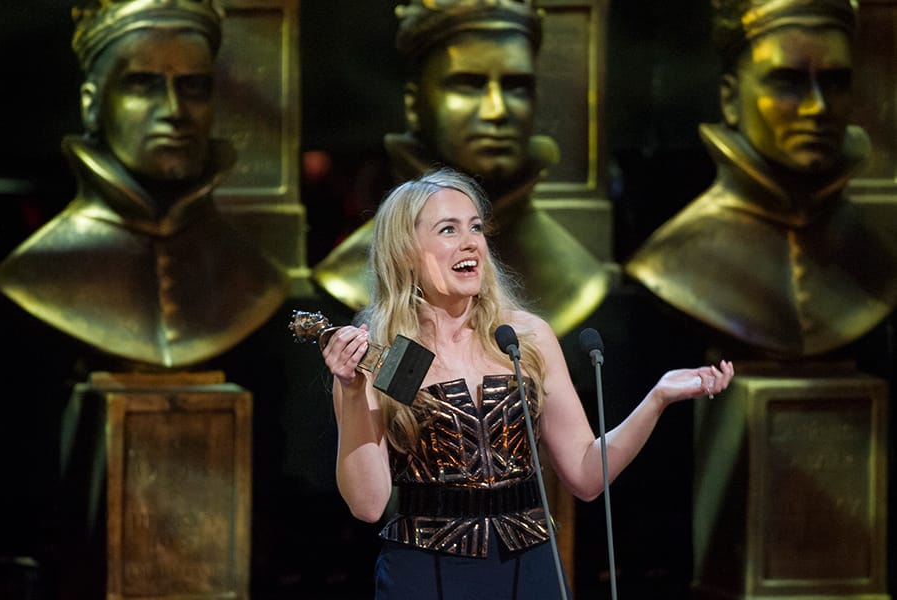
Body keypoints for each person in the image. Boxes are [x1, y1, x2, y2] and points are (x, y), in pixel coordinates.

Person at [319, 167, 734, 599]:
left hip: (531, 569)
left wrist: (657, 398)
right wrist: (351, 392)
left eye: (476, 227)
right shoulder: (376, 354)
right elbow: (368, 506)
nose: (471, 243)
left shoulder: (524, 338)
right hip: (427, 574)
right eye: (448, 230)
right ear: (405, 252)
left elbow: (587, 475)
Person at [0, 0, 289, 369]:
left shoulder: (257, 279)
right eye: (142, 85)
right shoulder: (32, 276)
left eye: (193, 87)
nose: (173, 110)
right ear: (92, 104)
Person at [313, 0, 615, 338]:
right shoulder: (349, 276)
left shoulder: (580, 278)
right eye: (468, 84)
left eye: (516, 86)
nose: (497, 110)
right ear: (414, 104)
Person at [624, 0, 897, 359]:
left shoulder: (875, 258)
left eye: (834, 82)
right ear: (730, 99)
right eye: (788, 82)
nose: (818, 107)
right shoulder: (671, 263)